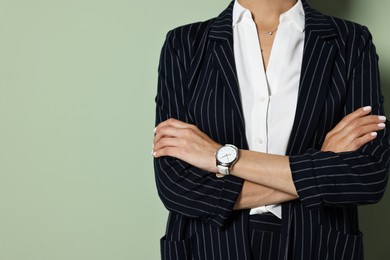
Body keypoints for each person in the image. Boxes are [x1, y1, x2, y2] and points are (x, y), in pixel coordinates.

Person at [153, 0, 390, 259]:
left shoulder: (351, 41)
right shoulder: (185, 44)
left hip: (318, 244)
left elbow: (368, 176)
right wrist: (320, 161)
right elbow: (177, 188)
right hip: (207, 246)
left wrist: (220, 157)